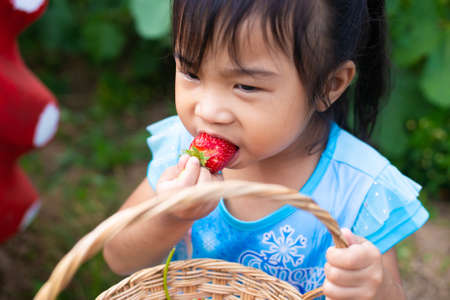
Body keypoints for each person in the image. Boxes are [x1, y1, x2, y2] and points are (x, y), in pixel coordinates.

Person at [103, 1, 429, 299]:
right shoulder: (181, 149)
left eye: (245, 86)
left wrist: (371, 285)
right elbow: (117, 255)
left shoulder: (358, 190)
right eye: (191, 72)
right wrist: (171, 216)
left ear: (329, 85)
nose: (208, 111)